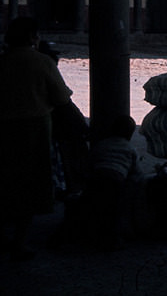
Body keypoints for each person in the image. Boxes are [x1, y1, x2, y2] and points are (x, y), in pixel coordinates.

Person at [0, 16, 73, 260]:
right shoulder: (41, 62)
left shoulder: (3, 61)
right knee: (28, 186)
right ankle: (20, 242)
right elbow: (61, 98)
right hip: (33, 130)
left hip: (4, 130)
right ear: (32, 37)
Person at [85, 114, 141, 250]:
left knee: (93, 207)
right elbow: (136, 171)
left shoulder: (102, 144)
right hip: (116, 180)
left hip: (97, 177)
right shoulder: (130, 149)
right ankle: (114, 239)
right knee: (115, 211)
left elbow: (91, 161)